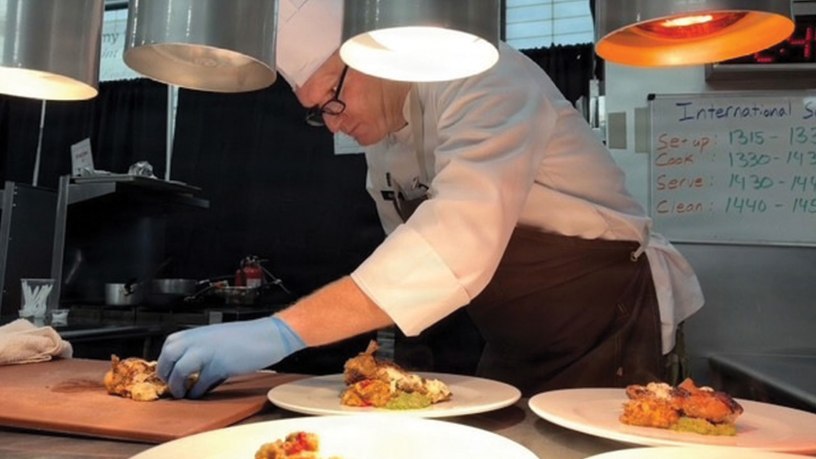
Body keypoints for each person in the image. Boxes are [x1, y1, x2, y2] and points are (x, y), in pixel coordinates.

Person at [157, 0, 704, 399]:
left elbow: (453, 241)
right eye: (318, 110)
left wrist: (282, 331)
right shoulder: (383, 135)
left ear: (374, 53)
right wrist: (407, 374)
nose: (332, 126)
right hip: (515, 336)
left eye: (333, 99)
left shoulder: (482, 73)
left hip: (604, 315)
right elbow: (412, 263)